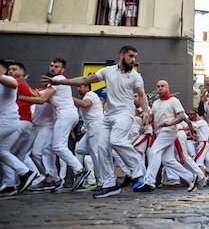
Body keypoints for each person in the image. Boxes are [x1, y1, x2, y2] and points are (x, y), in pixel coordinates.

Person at [41, 46, 149, 198]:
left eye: (135, 57)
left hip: (125, 114)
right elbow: (85, 79)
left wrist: (146, 111)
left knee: (117, 141)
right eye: (131, 56)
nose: (133, 60)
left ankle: (137, 174)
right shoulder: (108, 71)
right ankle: (109, 183)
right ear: (121, 55)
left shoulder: (136, 76)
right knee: (100, 148)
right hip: (108, 116)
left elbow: (142, 95)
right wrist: (60, 82)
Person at [18, 58, 91, 192]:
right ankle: (51, 178)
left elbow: (41, 100)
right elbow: (42, 97)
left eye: (56, 66)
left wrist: (20, 97)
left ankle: (79, 170)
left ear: (62, 70)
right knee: (47, 149)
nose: (52, 68)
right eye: (51, 66)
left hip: (65, 115)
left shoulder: (58, 79)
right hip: (65, 115)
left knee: (58, 146)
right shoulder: (56, 82)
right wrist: (29, 89)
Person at [134, 80, 203, 192]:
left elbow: (181, 116)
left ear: (167, 87)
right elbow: (152, 118)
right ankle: (191, 177)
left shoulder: (174, 101)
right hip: (159, 132)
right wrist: (144, 121)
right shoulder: (156, 103)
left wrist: (169, 123)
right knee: (167, 160)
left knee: (154, 151)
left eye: (162, 86)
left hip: (169, 131)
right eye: (158, 86)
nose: (160, 88)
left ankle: (150, 182)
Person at [0, 59, 37, 196]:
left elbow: (13, 83)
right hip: (20, 122)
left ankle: (20, 177)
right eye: (10, 69)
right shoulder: (21, 84)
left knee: (9, 152)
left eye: (14, 69)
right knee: (5, 151)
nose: (11, 71)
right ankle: (18, 178)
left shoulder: (13, 82)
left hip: (17, 121)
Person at [73, 83, 104, 190]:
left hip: (96, 126)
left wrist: (70, 98)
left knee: (95, 153)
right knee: (79, 149)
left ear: (87, 87)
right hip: (90, 128)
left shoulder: (90, 95)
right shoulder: (89, 95)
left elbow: (85, 104)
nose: (78, 89)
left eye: (79, 87)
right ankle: (82, 171)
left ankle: (101, 181)